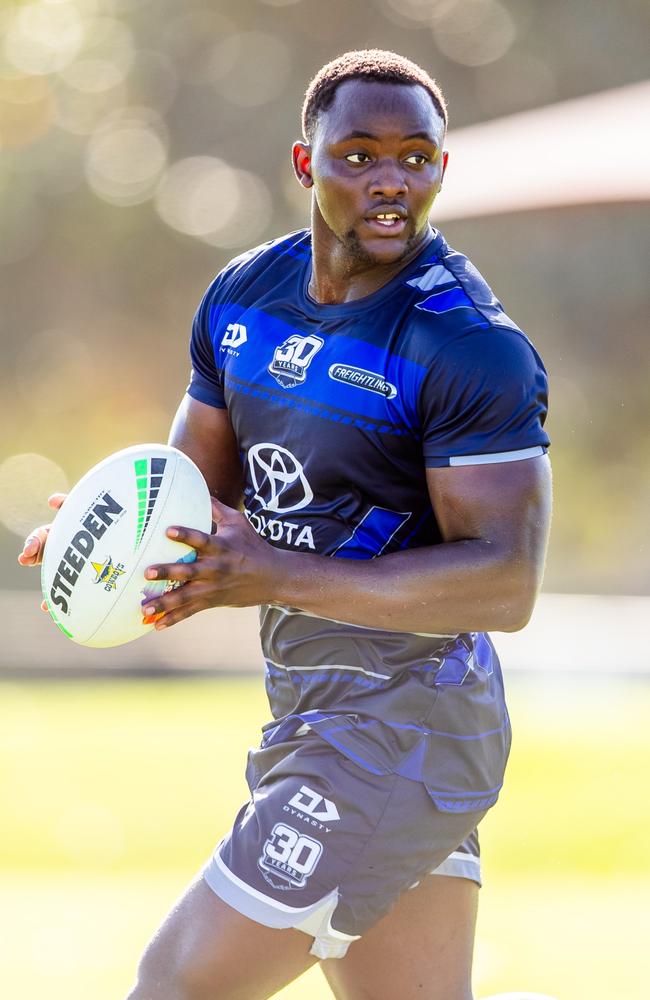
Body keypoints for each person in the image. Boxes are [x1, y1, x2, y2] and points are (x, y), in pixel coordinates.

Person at [19, 50, 552, 1000]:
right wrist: (111, 540)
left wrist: (270, 572)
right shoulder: (241, 299)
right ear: (305, 165)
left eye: (415, 157)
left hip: (402, 726)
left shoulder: (469, 345)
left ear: (440, 166)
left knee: (175, 984)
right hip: (319, 715)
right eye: (358, 154)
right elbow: (195, 494)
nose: (391, 179)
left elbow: (507, 581)